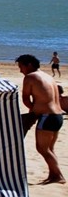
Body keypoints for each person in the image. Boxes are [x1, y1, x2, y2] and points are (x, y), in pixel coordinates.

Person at [18, 54, 65, 185]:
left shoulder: (30, 77)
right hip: (58, 116)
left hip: (47, 117)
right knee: (49, 148)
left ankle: (59, 176)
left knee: (42, 149)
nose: (20, 70)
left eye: (21, 67)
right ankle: (53, 175)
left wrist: (34, 112)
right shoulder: (48, 76)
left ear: (29, 65)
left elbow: (26, 99)